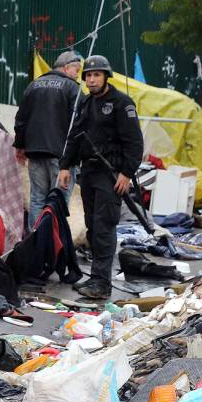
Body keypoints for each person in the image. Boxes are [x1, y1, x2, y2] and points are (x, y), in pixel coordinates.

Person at [57, 55, 143, 299]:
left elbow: (134, 142)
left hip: (111, 174)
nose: (92, 79)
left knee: (104, 227)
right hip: (89, 173)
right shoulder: (85, 104)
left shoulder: (121, 103)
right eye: (89, 75)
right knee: (93, 226)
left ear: (106, 77)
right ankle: (96, 277)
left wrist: (127, 172)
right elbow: (75, 137)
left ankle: (102, 283)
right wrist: (65, 166)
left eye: (97, 75)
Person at [14, 49, 83, 228]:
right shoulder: (72, 88)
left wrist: (20, 146)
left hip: (35, 153)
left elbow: (21, 119)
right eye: (77, 71)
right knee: (58, 200)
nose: (77, 75)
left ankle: (36, 243)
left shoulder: (33, 85)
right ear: (67, 67)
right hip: (62, 158)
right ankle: (53, 245)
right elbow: (79, 124)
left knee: (37, 198)